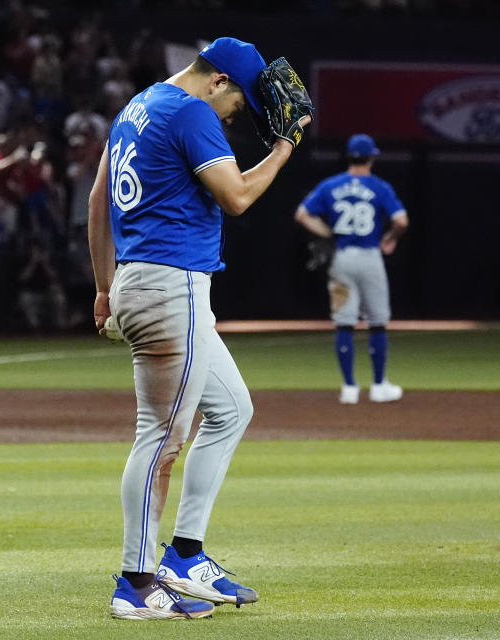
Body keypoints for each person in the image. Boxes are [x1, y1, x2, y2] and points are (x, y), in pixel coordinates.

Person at [88, 37, 310, 620]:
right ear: (218, 81)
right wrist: (285, 146)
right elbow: (236, 197)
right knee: (160, 437)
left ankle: (185, 554)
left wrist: (104, 286)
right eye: (238, 104)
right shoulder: (191, 111)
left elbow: (96, 200)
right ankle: (135, 584)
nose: (236, 116)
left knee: (232, 408)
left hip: (143, 280)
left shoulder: (137, 106)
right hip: (171, 286)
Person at [294, 133, 409, 405]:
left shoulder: (331, 185)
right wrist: (390, 238)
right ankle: (379, 385)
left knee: (344, 321)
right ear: (371, 157)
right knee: (377, 322)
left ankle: (349, 388)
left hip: (340, 259)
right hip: (369, 257)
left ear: (349, 156)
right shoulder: (380, 187)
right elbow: (401, 220)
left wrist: (326, 233)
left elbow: (302, 214)